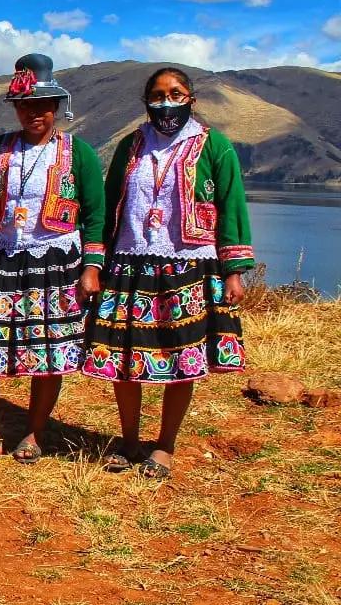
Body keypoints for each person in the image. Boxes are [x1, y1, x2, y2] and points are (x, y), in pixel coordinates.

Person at [83, 67, 252, 480]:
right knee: (123, 357)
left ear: (191, 98)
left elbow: (231, 206)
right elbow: (109, 205)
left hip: (189, 264)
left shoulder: (215, 147)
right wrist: (96, 260)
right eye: (157, 95)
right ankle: (128, 440)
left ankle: (165, 444)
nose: (166, 102)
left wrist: (234, 270)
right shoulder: (132, 146)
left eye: (175, 93)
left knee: (182, 354)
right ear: (146, 101)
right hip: (130, 262)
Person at [0, 53, 104, 463]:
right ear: (16, 107)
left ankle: (34, 433)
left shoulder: (78, 153)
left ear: (55, 107)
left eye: (42, 105)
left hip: (55, 262)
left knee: (48, 351)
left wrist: (91, 266)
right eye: (25, 105)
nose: (33, 112)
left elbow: (95, 213)